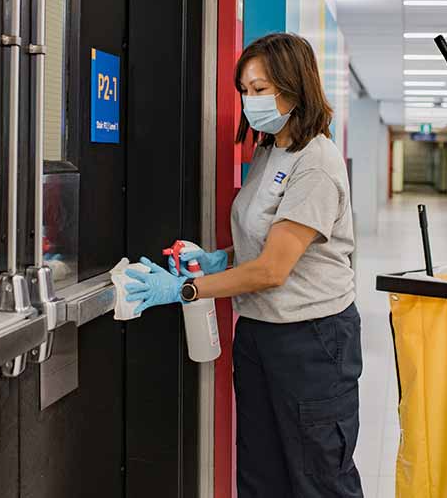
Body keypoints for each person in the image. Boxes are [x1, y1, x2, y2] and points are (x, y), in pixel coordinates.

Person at [125, 32, 362, 497]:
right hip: (258, 332)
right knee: (261, 476)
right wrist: (217, 258)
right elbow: (264, 241)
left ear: (295, 88)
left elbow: (274, 268)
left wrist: (187, 289)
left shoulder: (315, 164)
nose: (249, 101)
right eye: (245, 90)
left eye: (260, 90)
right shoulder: (270, 149)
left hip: (311, 340)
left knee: (319, 480)